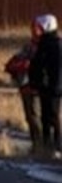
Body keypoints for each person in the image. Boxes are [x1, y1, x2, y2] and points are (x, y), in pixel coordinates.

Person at [32, 12, 62, 158]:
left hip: (53, 87)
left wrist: (55, 85)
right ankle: (46, 146)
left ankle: (57, 145)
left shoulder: (55, 45)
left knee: (53, 115)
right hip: (45, 86)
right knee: (45, 116)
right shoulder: (44, 43)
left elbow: (56, 68)